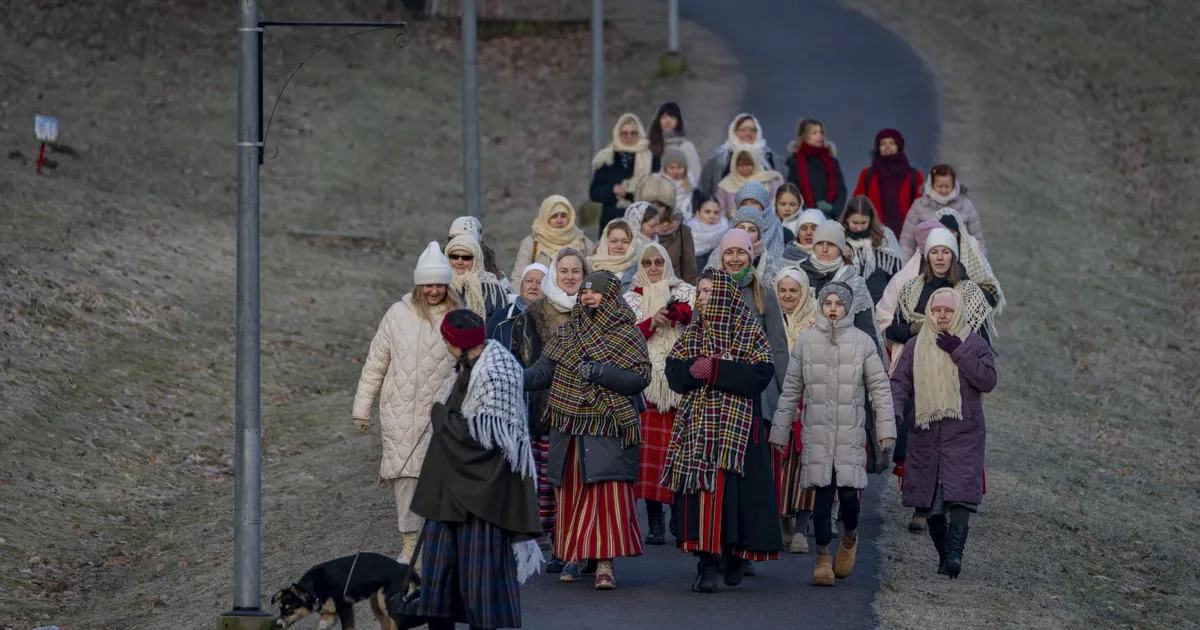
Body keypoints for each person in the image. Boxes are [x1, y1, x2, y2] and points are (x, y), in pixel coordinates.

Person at [410, 309, 544, 630]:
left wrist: (440, 417)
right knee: (440, 578)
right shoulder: (465, 365)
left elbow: (480, 436)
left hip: (483, 496)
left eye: (446, 339)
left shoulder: (498, 371)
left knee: (479, 584)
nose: (443, 343)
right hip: (448, 493)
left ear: (457, 344)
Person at [523, 271, 651, 589]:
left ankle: (605, 563)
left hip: (608, 425)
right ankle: (575, 554)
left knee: (606, 495)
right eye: (585, 293)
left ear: (610, 297)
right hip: (568, 424)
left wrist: (598, 371)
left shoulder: (627, 333)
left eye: (595, 293)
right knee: (572, 494)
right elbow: (543, 371)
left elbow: (639, 378)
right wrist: (511, 376)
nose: (588, 297)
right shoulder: (568, 332)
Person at [663, 269, 781, 593]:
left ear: (725, 295)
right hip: (698, 429)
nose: (700, 298)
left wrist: (716, 369)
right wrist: (693, 369)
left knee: (734, 497)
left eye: (706, 292)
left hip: (738, 432)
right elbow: (674, 371)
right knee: (703, 496)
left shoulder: (748, 330)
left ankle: (733, 556)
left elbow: (761, 373)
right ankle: (706, 565)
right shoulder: (694, 334)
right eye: (699, 291)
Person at [770, 281, 896, 587]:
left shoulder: (863, 342)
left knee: (850, 497)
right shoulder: (806, 342)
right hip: (816, 432)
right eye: (828, 303)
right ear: (820, 306)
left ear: (849, 307)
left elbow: (879, 388)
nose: (833, 309)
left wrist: (885, 428)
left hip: (850, 432)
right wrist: (781, 430)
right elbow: (790, 391)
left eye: (839, 304)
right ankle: (823, 557)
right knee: (822, 496)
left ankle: (850, 537)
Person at [352, 242, 460, 566]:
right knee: (406, 480)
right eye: (428, 284)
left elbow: (469, 361)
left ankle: (437, 547)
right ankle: (410, 545)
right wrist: (362, 408)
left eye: (439, 284)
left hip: (440, 413)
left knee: (438, 479)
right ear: (418, 283)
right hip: (398, 411)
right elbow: (375, 363)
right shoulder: (396, 315)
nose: (433, 290)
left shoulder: (459, 315)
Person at [889, 288, 997, 578]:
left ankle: (955, 555)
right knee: (930, 500)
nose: (942, 316)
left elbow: (987, 380)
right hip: (925, 432)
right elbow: (899, 383)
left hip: (965, 431)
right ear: (929, 312)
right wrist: (895, 412)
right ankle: (944, 556)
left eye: (948, 311)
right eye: (937, 310)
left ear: (958, 312)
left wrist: (957, 350)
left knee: (961, 495)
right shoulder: (915, 345)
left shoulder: (974, 344)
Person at [509, 249, 592, 573]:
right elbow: (521, 363)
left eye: (576, 271)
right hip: (544, 415)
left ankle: (583, 547)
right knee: (548, 485)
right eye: (564, 271)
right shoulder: (533, 314)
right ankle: (558, 546)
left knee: (580, 486)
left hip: (588, 415)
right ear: (553, 275)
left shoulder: (595, 309)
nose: (570, 277)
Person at [623, 243, 696, 546]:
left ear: (668, 263)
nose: (653, 267)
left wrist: (680, 314)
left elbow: (696, 326)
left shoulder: (686, 292)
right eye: (647, 262)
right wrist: (651, 322)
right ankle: (655, 521)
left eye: (659, 262)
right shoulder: (629, 299)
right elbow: (625, 338)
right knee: (649, 458)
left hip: (679, 387)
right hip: (648, 386)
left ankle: (679, 516)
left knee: (677, 455)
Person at [771, 267, 820, 554]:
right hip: (777, 397)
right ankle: (783, 520)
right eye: (783, 290)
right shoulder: (770, 319)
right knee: (780, 462)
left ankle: (802, 527)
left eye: (794, 290)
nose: (788, 296)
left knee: (807, 463)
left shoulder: (817, 321)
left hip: (811, 399)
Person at [590, 113, 660, 236]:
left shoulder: (651, 159)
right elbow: (594, 192)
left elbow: (655, 192)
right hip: (612, 222)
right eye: (624, 133)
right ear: (617, 134)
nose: (629, 137)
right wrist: (612, 190)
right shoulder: (606, 158)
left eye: (633, 133)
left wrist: (628, 194)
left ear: (640, 134)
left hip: (642, 222)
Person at [898, 164, 985, 261]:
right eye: (939, 186)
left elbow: (977, 240)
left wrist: (981, 264)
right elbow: (907, 242)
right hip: (924, 265)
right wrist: (904, 267)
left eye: (947, 186)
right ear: (931, 185)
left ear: (954, 184)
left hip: (962, 264)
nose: (944, 190)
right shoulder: (919, 206)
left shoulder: (966, 205)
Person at [851, 129, 925, 234]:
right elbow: (857, 202)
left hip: (907, 234)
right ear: (878, 148)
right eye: (883, 144)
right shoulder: (868, 174)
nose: (887, 146)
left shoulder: (914, 175)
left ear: (899, 146)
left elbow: (922, 206)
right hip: (875, 232)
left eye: (892, 143)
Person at [698, 113, 783, 196]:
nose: (748, 134)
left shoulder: (769, 158)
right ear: (734, 132)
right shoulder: (720, 160)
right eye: (743, 130)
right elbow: (705, 189)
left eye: (752, 130)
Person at [511, 195, 593, 280]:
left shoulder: (582, 241)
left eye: (563, 216)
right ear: (545, 217)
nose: (559, 221)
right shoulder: (531, 243)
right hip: (541, 292)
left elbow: (593, 273)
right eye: (554, 216)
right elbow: (519, 276)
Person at [840, 196, 903, 304]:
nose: (859, 228)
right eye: (855, 223)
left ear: (871, 219)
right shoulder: (839, 238)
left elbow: (897, 272)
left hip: (881, 302)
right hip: (847, 303)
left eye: (863, 223)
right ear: (847, 219)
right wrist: (839, 255)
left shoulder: (885, 237)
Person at [786, 118, 847, 219]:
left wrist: (834, 209)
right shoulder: (794, 162)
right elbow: (792, 190)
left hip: (830, 217)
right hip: (803, 217)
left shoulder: (831, 162)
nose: (819, 136)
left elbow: (841, 190)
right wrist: (808, 210)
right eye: (814, 133)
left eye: (821, 133)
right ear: (804, 136)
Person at [445, 234, 507, 320]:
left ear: (476, 259)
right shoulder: (440, 285)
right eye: (454, 257)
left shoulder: (493, 289)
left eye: (466, 257)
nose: (459, 262)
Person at [486, 262, 546, 349]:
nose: (533, 286)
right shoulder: (500, 318)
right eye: (529, 281)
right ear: (521, 285)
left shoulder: (554, 319)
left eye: (539, 282)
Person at [715, 148, 784, 217]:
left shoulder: (770, 181)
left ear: (755, 163)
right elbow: (720, 210)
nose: (745, 168)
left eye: (748, 165)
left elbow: (776, 205)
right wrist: (729, 215)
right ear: (734, 165)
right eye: (741, 165)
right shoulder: (725, 185)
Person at [648, 101, 703, 179]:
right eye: (664, 117)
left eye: (672, 117)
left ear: (678, 121)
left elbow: (695, 174)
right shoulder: (650, 146)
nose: (668, 121)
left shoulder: (686, 146)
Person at [448, 215, 505, 289]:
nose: (458, 243)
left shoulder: (494, 281)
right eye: (452, 239)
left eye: (465, 240)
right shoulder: (439, 265)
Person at [588, 218, 641, 294]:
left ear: (632, 244)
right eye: (614, 241)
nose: (619, 246)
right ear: (604, 243)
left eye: (625, 242)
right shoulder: (590, 266)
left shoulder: (639, 271)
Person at [656, 203, 699, 285]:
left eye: (660, 205)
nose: (655, 208)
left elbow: (689, 271)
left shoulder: (682, 231)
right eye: (651, 203)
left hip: (674, 290)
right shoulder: (636, 229)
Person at [687, 196, 728, 273]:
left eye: (716, 212)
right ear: (698, 213)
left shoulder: (726, 229)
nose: (712, 216)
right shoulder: (688, 231)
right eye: (707, 212)